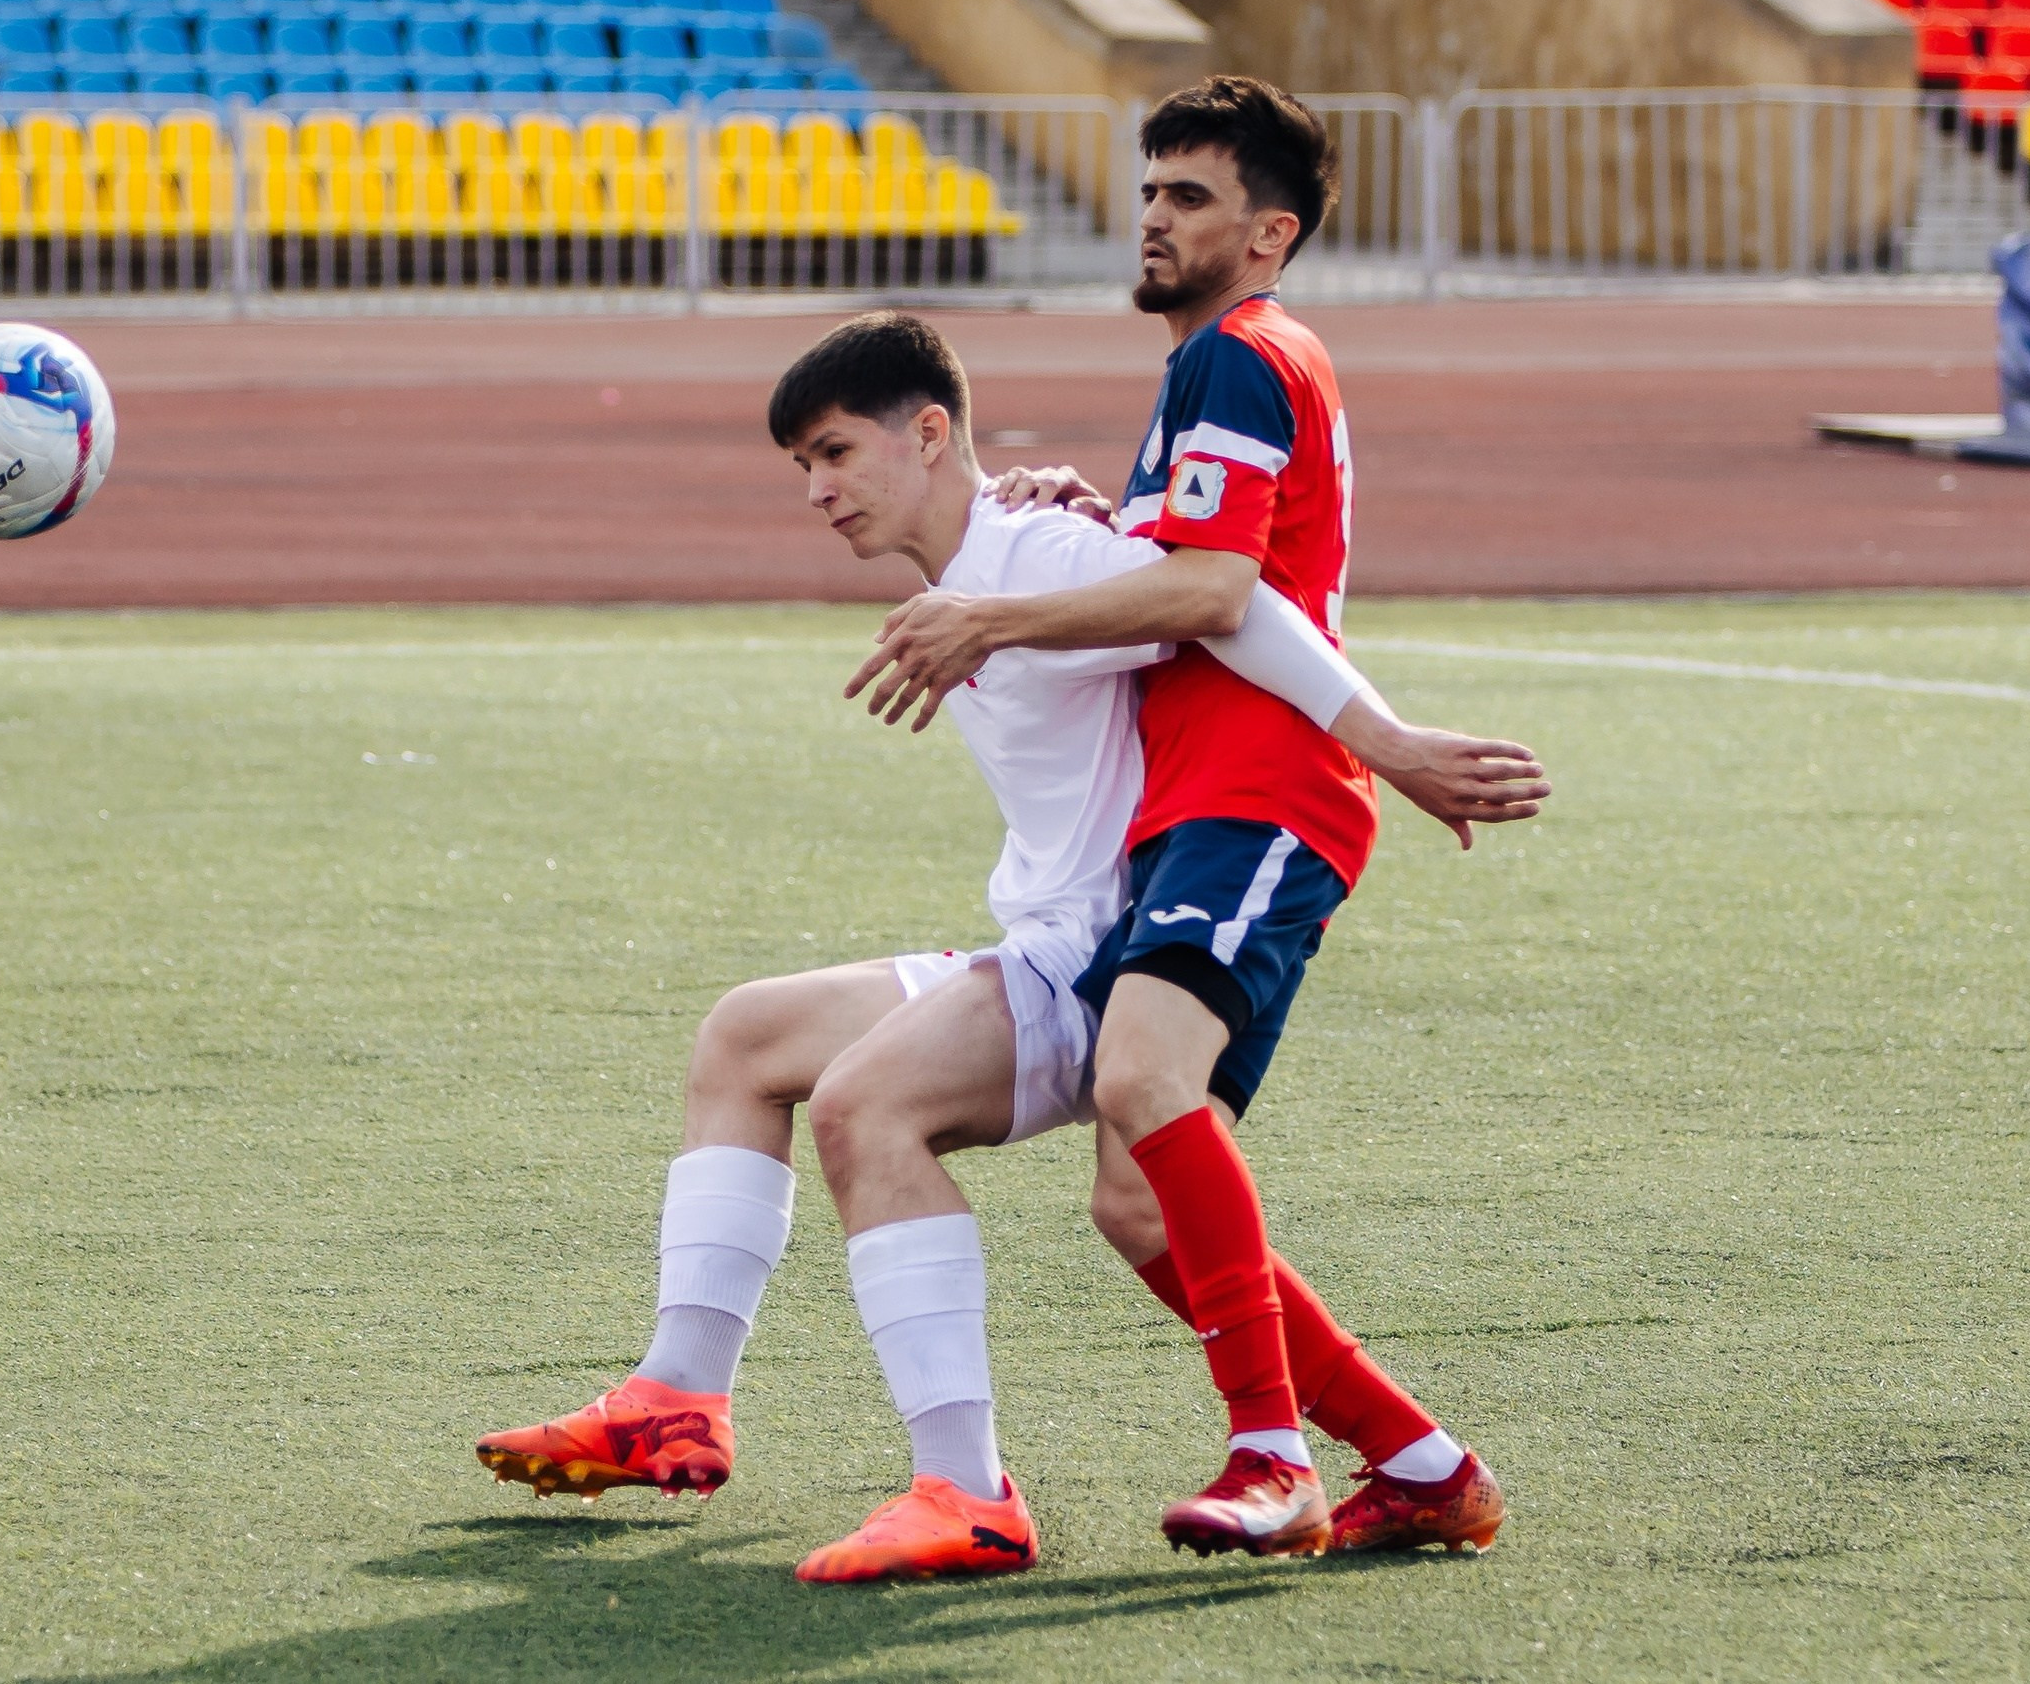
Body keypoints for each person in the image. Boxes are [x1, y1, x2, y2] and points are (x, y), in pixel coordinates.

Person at [477, 311, 1547, 1581]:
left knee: (870, 1110)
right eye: (800, 469)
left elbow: (1225, 604)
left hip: (1103, 955)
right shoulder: (987, 565)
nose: (817, 492)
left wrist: (1388, 740)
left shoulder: (1034, 547)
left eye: (833, 454)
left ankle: (967, 1490)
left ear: (929, 434)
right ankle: (674, 1399)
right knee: (748, 1037)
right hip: (1043, 937)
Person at [848, 76, 1524, 1562]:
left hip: (1256, 793)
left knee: (1143, 1077)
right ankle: (1419, 1461)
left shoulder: (1243, 355)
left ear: (1270, 233)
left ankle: (1271, 1454)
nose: (1155, 217)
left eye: (1193, 197)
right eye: (1151, 191)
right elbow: (1221, 575)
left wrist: (998, 615)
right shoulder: (1215, 370)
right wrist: (1109, 522)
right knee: (1139, 1203)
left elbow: (1221, 597)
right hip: (1206, 803)